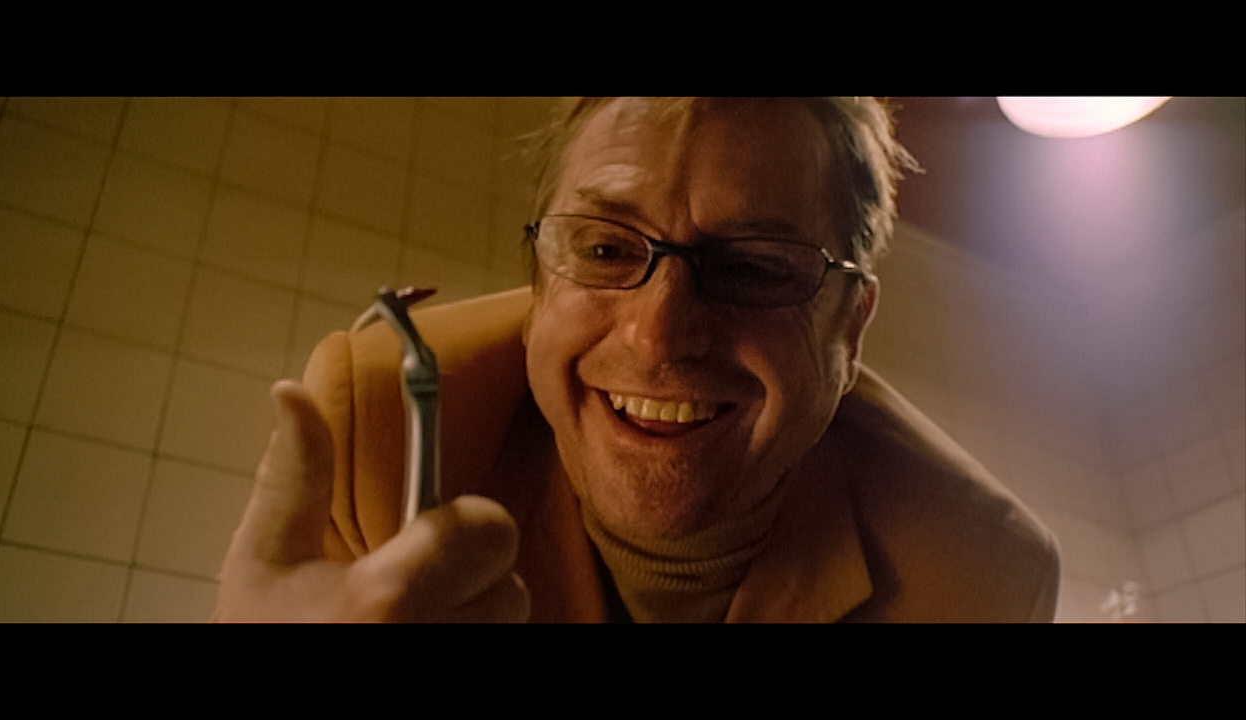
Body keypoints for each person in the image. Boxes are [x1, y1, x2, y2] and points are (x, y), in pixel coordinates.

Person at [214, 97, 1061, 623]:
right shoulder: (380, 428)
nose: (657, 338)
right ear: (538, 284)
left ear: (850, 329)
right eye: (606, 250)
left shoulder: (981, 579)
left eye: (754, 267)